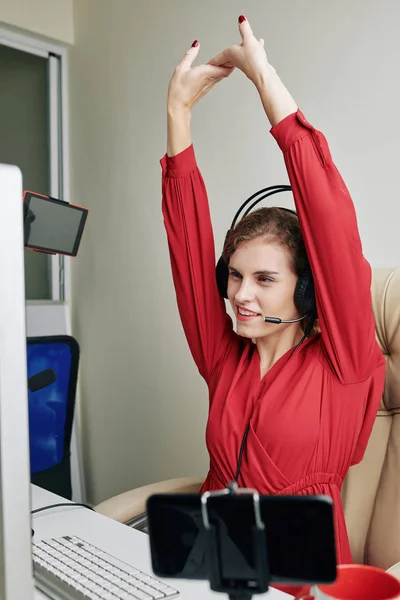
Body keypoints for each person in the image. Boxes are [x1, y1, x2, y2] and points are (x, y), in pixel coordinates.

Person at [161, 14, 386, 574]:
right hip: (209, 563)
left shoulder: (346, 361)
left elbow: (330, 222)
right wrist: (178, 114)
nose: (242, 295)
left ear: (307, 290)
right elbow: (188, 252)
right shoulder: (224, 355)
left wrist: (265, 81)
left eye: (266, 280)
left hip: (298, 575)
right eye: (236, 276)